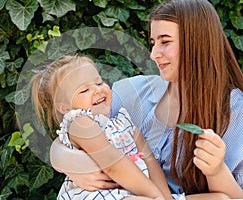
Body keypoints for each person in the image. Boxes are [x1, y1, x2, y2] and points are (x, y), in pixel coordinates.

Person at [49, 0, 243, 199]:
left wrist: (216, 171)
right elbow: (76, 130)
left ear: (198, 41)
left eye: (165, 42)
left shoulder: (236, 111)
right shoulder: (133, 91)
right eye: (153, 43)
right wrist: (69, 163)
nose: (153, 54)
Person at [30, 54, 172, 199]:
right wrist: (156, 196)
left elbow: (149, 159)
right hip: (98, 194)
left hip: (135, 192)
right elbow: (113, 164)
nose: (98, 90)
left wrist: (165, 196)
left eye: (98, 83)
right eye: (84, 90)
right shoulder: (80, 123)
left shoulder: (123, 122)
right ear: (65, 107)